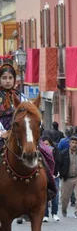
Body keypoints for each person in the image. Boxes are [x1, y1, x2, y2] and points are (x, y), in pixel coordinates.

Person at [0, 63, 57, 200]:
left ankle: (49, 187)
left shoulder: (22, 97)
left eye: (10, 78)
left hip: (23, 134)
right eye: (4, 78)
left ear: (14, 79)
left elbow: (34, 115)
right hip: (3, 134)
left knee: (47, 153)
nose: (7, 81)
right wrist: (2, 132)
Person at [58, 135, 77, 218]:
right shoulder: (63, 153)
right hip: (67, 178)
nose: (74, 144)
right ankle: (64, 209)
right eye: (72, 142)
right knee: (64, 198)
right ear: (69, 143)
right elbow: (59, 165)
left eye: (76, 143)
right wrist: (61, 174)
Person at [42, 136, 61, 222]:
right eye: (44, 144)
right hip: (44, 176)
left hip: (54, 176)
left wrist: (55, 173)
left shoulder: (55, 152)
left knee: (55, 195)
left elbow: (58, 162)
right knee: (45, 196)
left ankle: (55, 213)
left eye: (47, 144)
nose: (46, 146)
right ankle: (45, 215)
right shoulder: (40, 152)